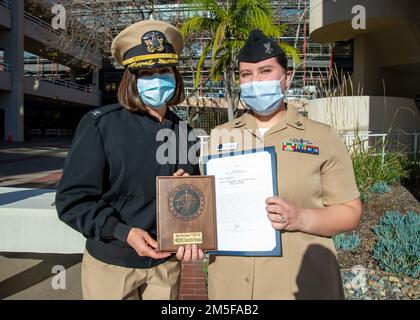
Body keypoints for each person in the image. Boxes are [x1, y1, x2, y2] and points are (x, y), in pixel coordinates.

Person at [204, 29, 363, 299]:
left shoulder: (321, 136)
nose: (255, 81)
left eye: (265, 71)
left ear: (286, 78)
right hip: (231, 286)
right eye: (246, 74)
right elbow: (208, 209)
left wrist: (302, 217)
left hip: (296, 285)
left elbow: (350, 211)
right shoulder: (219, 136)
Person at [55, 19, 204, 300]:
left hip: (166, 267)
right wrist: (122, 232)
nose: (157, 78)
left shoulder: (186, 134)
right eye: (146, 73)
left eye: (163, 70)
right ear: (131, 79)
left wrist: (192, 229)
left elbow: (190, 206)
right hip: (112, 266)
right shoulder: (101, 126)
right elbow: (71, 201)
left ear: (175, 75)